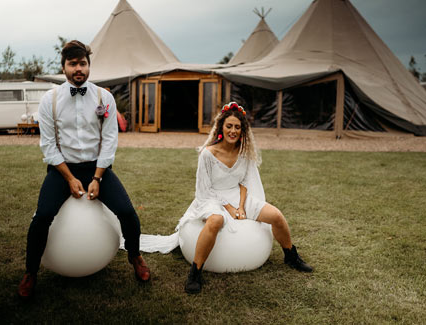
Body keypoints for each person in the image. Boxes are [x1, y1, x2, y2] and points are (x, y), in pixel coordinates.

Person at [17, 40, 150, 299]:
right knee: (42, 216)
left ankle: (135, 257)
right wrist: (69, 178)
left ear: (89, 66)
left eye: (83, 63)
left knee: (127, 212)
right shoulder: (49, 100)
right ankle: (30, 272)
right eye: (73, 64)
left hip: (96, 167)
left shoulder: (104, 97)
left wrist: (98, 177)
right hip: (60, 169)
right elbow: (48, 145)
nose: (78, 68)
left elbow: (110, 140)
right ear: (64, 67)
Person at [138, 102, 312, 294]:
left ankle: (290, 255)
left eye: (237, 127)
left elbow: (245, 181)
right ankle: (195, 272)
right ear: (221, 127)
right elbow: (204, 190)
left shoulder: (244, 152)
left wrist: (243, 206)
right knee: (216, 221)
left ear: (242, 130)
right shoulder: (208, 154)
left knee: (276, 216)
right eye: (229, 126)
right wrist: (230, 208)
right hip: (211, 198)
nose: (233, 131)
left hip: (239, 196)